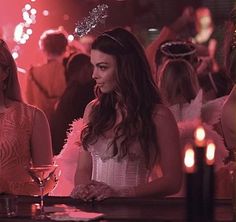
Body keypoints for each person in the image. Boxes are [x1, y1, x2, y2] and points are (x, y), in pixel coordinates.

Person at [64, 27, 182, 201]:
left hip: (134, 212)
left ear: (126, 67)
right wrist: (83, 189)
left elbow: (173, 181)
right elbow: (83, 169)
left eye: (102, 67)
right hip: (94, 211)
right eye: (93, 66)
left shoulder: (158, 116)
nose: (94, 75)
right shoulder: (93, 110)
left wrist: (122, 193)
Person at [0, 39, 55, 195]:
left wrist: (8, 189)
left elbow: (46, 180)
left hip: (18, 211)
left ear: (5, 73)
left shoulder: (32, 117)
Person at [50, 53, 95, 155]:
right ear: (85, 68)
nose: (95, 73)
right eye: (94, 67)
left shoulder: (68, 92)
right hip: (73, 153)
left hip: (62, 151)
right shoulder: (83, 92)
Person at [25, 28, 68, 124]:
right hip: (64, 123)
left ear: (43, 48)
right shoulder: (69, 70)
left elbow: (29, 101)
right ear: (64, 47)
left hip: (41, 123)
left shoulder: (32, 72)